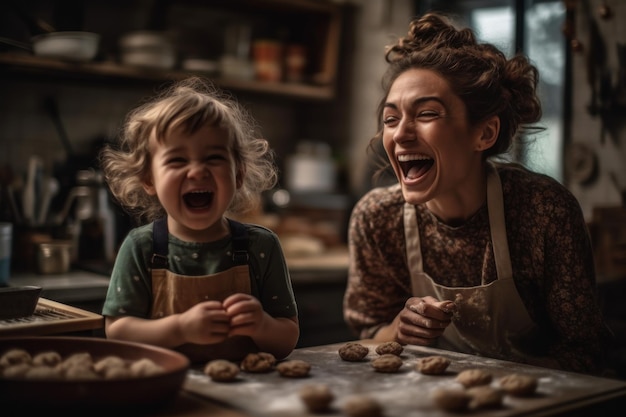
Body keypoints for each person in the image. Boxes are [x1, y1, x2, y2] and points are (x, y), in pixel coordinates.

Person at [343, 12, 612, 375]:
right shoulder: (377, 218)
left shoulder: (543, 210)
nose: (401, 133)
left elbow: (586, 352)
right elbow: (370, 332)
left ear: (484, 134)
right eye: (391, 119)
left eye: (426, 113)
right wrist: (400, 330)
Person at [100, 77, 299, 362]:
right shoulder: (141, 248)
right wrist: (179, 328)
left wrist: (263, 325)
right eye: (177, 160)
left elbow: (287, 337)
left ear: (238, 173)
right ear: (149, 178)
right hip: (166, 392)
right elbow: (118, 332)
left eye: (214, 158)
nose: (197, 172)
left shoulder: (261, 246)